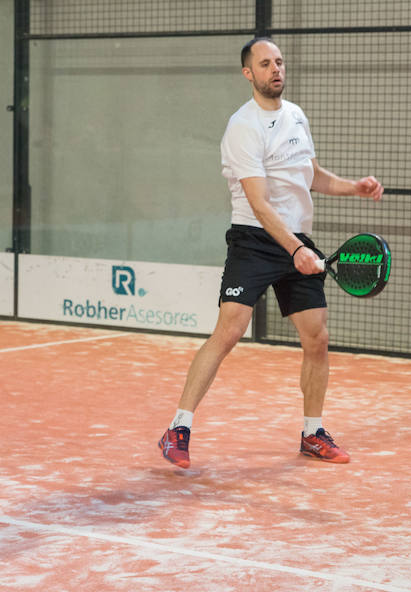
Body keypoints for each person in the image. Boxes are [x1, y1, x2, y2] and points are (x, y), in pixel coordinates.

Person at [158, 38, 384, 468]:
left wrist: (353, 187)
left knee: (317, 336)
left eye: (279, 62)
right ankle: (178, 427)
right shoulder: (243, 126)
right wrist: (295, 249)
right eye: (265, 64)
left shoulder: (296, 115)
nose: (275, 69)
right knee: (230, 330)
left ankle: (312, 433)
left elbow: (310, 175)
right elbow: (259, 203)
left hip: (297, 238)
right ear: (248, 73)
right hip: (255, 239)